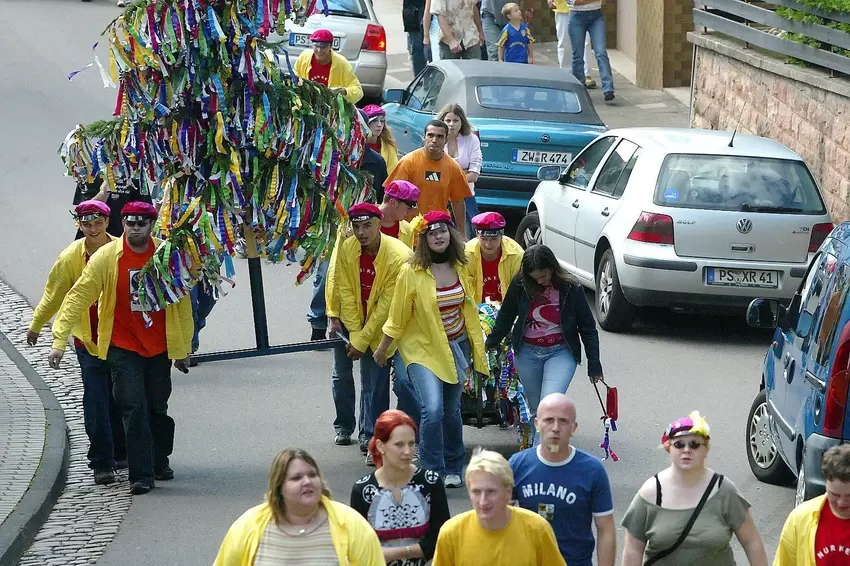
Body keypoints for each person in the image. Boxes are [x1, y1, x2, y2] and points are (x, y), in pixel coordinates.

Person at [47, 201, 193, 496]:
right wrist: (59, 340)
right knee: (132, 405)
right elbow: (77, 296)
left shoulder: (166, 254)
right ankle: (141, 476)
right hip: (121, 345)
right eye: (130, 223)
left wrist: (183, 347)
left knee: (157, 406)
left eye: (141, 223)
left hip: (158, 346)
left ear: (152, 226)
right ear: (123, 225)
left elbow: (182, 302)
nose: (135, 228)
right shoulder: (106, 257)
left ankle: (159, 459)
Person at [374, 211, 487, 488]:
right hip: (422, 349)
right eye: (432, 232)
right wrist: (382, 349)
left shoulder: (462, 265)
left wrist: (479, 348)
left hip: (456, 347)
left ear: (451, 235)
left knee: (451, 411)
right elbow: (397, 317)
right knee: (433, 409)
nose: (439, 236)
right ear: (423, 238)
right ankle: (432, 468)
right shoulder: (411, 272)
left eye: (443, 231)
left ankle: (453, 465)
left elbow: (469, 307)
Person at [28, 200, 125, 485]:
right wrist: (37, 326)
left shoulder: (121, 250)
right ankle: (101, 462)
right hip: (88, 343)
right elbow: (54, 295)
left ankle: (123, 451)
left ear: (108, 222)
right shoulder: (71, 257)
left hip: (120, 339)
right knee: (96, 401)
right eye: (86, 224)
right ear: (79, 225)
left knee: (124, 397)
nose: (93, 229)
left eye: (98, 223)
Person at [484, 244, 602, 445]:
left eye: (544, 275)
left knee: (550, 405)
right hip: (527, 354)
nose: (540, 281)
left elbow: (588, 327)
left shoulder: (571, 286)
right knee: (536, 407)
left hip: (560, 353)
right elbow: (506, 315)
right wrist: (490, 344)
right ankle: (537, 445)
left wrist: (594, 363)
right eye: (535, 277)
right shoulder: (521, 283)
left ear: (552, 267)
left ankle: (540, 457)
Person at [621, 412, 769, 566]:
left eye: (694, 444)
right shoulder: (650, 493)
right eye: (679, 444)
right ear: (668, 447)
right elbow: (633, 549)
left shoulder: (724, 491)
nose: (686, 450)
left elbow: (751, 541)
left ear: (706, 449)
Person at [325, 203, 412, 460]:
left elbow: (388, 303)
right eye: (356, 226)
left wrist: (364, 339)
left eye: (367, 226)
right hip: (350, 321)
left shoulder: (399, 255)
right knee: (341, 374)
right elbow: (344, 288)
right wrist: (354, 333)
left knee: (375, 382)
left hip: (382, 326)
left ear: (380, 223)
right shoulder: (347, 245)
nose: (361, 232)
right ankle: (344, 425)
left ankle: (371, 436)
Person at [213, 448, 385, 565]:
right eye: (296, 478)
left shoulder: (352, 525)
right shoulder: (248, 527)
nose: (307, 482)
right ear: (279, 487)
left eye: (312, 475)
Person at [510, 393, 615, 566]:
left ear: (574, 427)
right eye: (549, 420)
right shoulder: (517, 465)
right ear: (537, 424)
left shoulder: (592, 470)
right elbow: (498, 518)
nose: (556, 428)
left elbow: (606, 528)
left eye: (564, 421)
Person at [307, 121, 388, 342]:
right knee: (326, 275)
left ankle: (357, 326)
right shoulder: (332, 156)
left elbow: (380, 199)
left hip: (363, 229)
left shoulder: (376, 162)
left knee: (359, 278)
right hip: (333, 225)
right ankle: (318, 323)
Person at [432, 448, 566, 565]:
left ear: (508, 492)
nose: (483, 501)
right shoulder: (451, 533)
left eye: (491, 492)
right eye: (476, 492)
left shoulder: (537, 529)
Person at [350, 410, 451, 565]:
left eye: (411, 444)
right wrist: (417, 550)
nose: (407, 451)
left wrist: (393, 553)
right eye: (399, 444)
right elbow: (359, 546)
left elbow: (441, 537)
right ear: (380, 446)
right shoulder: (362, 490)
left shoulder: (430, 482)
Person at [385, 120, 472, 238]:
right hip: (409, 232)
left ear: (446, 140)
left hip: (438, 232)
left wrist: (462, 234)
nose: (434, 140)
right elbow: (390, 197)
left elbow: (458, 201)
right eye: (430, 135)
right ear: (423, 137)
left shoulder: (453, 168)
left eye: (440, 136)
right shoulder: (408, 162)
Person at [773, 444, 850, 565]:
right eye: (834, 495)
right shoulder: (800, 518)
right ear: (825, 484)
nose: (841, 502)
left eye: (849, 496)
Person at [436, 104, 481, 239]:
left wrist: (448, 176)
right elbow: (432, 170)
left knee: (466, 236)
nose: (451, 125)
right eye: (448, 121)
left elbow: (474, 175)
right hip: (438, 195)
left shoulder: (472, 139)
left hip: (465, 195)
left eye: (456, 121)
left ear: (462, 122)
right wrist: (462, 171)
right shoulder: (435, 138)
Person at [464, 211, 523, 304]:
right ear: (477, 235)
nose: (488, 245)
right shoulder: (466, 254)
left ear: (502, 235)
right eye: (484, 239)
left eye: (494, 239)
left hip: (508, 309)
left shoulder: (516, 254)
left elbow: (521, 289)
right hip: (475, 309)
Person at [294, 29, 363, 104]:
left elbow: (358, 91)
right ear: (312, 45)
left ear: (330, 46)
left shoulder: (342, 63)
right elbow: (294, 79)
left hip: (332, 107)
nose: (319, 50)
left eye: (323, 47)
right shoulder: (304, 57)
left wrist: (344, 91)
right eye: (316, 46)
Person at [72, 177, 153, 239]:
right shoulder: (89, 169)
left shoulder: (132, 169)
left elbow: (146, 212)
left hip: (120, 239)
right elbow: (81, 211)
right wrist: (103, 193)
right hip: (90, 238)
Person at [568, 0, 615, 101]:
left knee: (601, 52)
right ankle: (579, 88)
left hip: (596, 15)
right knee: (578, 55)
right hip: (577, 16)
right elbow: (572, 1)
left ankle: (608, 89)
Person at [547, 0, 595, 88]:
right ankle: (566, 74)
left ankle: (586, 74)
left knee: (585, 41)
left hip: (583, 8)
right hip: (563, 7)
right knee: (564, 41)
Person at [378, 180, 420, 249]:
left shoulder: (407, 229)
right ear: (393, 203)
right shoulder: (363, 224)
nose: (410, 212)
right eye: (408, 208)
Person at [363, 105, 400, 177]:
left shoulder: (389, 147)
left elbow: (393, 175)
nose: (379, 125)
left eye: (382, 121)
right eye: (374, 120)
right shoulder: (356, 145)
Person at [403, 0, 429, 76]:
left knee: (428, 51)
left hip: (429, 12)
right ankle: (419, 80)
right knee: (417, 49)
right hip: (413, 12)